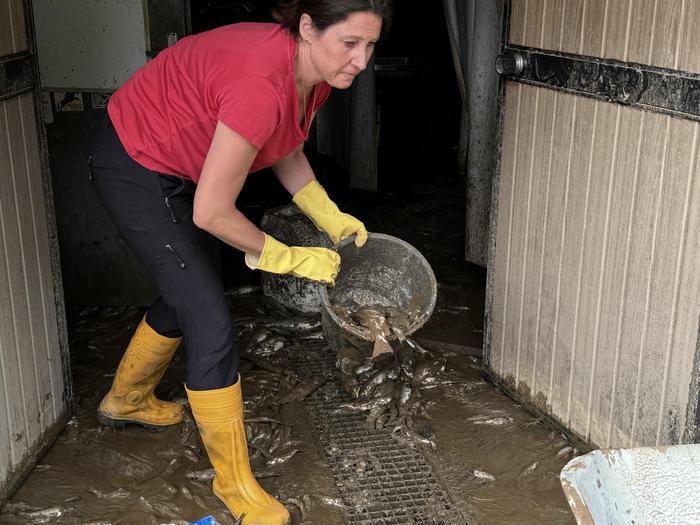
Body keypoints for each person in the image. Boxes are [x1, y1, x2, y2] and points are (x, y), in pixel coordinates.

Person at [87, 1, 391, 523]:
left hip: (184, 166)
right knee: (209, 317)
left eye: (371, 46)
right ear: (307, 28)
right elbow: (211, 212)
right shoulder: (260, 81)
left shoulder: (312, 71)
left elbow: (284, 144)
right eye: (349, 43)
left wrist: (327, 212)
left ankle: (127, 397)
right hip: (136, 161)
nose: (361, 61)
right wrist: (286, 257)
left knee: (189, 288)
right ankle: (237, 490)